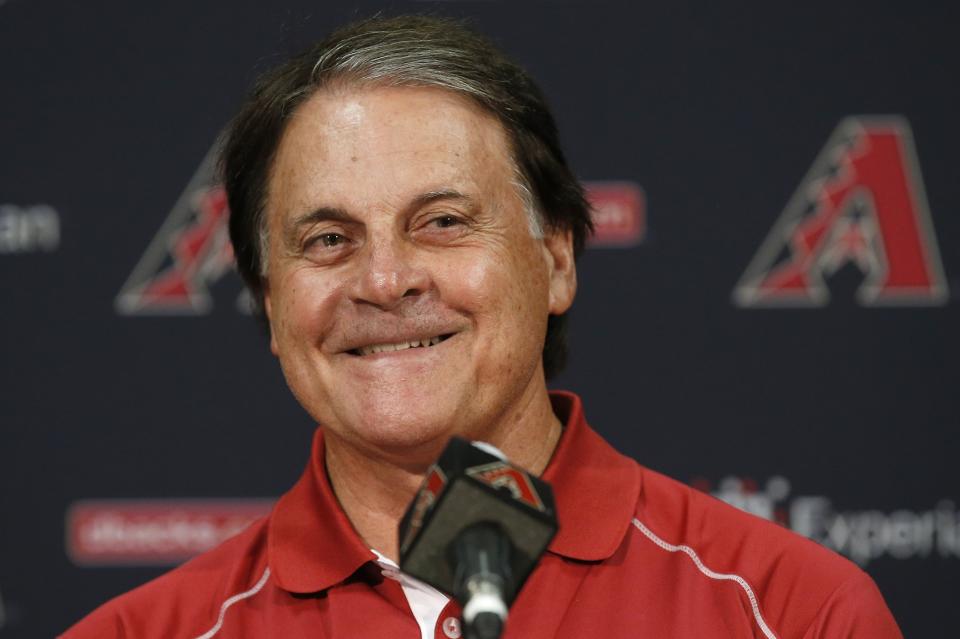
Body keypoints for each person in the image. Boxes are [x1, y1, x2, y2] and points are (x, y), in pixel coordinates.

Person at [62, 15, 902, 639]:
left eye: (443, 222)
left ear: (557, 258)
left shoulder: (795, 611)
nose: (385, 280)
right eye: (328, 240)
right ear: (271, 304)